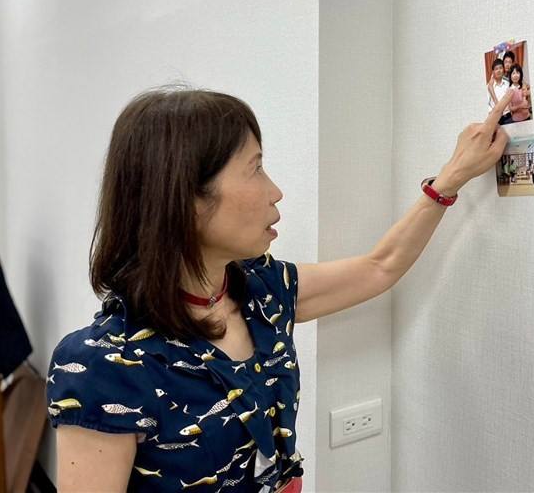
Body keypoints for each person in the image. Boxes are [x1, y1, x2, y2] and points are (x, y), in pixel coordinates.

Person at [47, 87, 509, 492]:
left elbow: (379, 268)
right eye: (255, 169)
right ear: (184, 197)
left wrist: (451, 178)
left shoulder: (261, 289)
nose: (276, 192)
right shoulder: (102, 366)